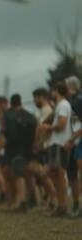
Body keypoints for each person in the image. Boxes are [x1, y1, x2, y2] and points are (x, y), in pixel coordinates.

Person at [41, 82, 72, 217]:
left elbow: (62, 124)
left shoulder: (63, 105)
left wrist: (49, 128)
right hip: (55, 144)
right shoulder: (60, 106)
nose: (51, 93)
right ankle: (57, 203)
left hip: (60, 143)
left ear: (57, 91)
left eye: (53, 91)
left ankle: (62, 207)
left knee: (60, 175)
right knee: (47, 174)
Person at [2, 94, 37, 212]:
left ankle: (21, 202)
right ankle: (32, 198)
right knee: (26, 174)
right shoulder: (30, 116)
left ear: (11, 104)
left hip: (14, 149)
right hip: (28, 149)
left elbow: (7, 132)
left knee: (17, 175)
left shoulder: (8, 115)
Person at [31, 88, 57, 212]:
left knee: (43, 174)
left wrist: (37, 144)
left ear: (42, 97)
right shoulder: (44, 110)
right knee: (41, 175)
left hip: (45, 146)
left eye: (35, 97)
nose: (34, 101)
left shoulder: (47, 110)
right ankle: (47, 200)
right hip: (44, 146)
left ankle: (51, 198)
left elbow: (42, 129)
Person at [64, 76, 82, 217]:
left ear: (71, 86)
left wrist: (71, 139)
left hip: (77, 142)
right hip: (76, 143)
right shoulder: (72, 102)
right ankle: (76, 205)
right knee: (73, 175)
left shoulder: (77, 101)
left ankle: (78, 206)